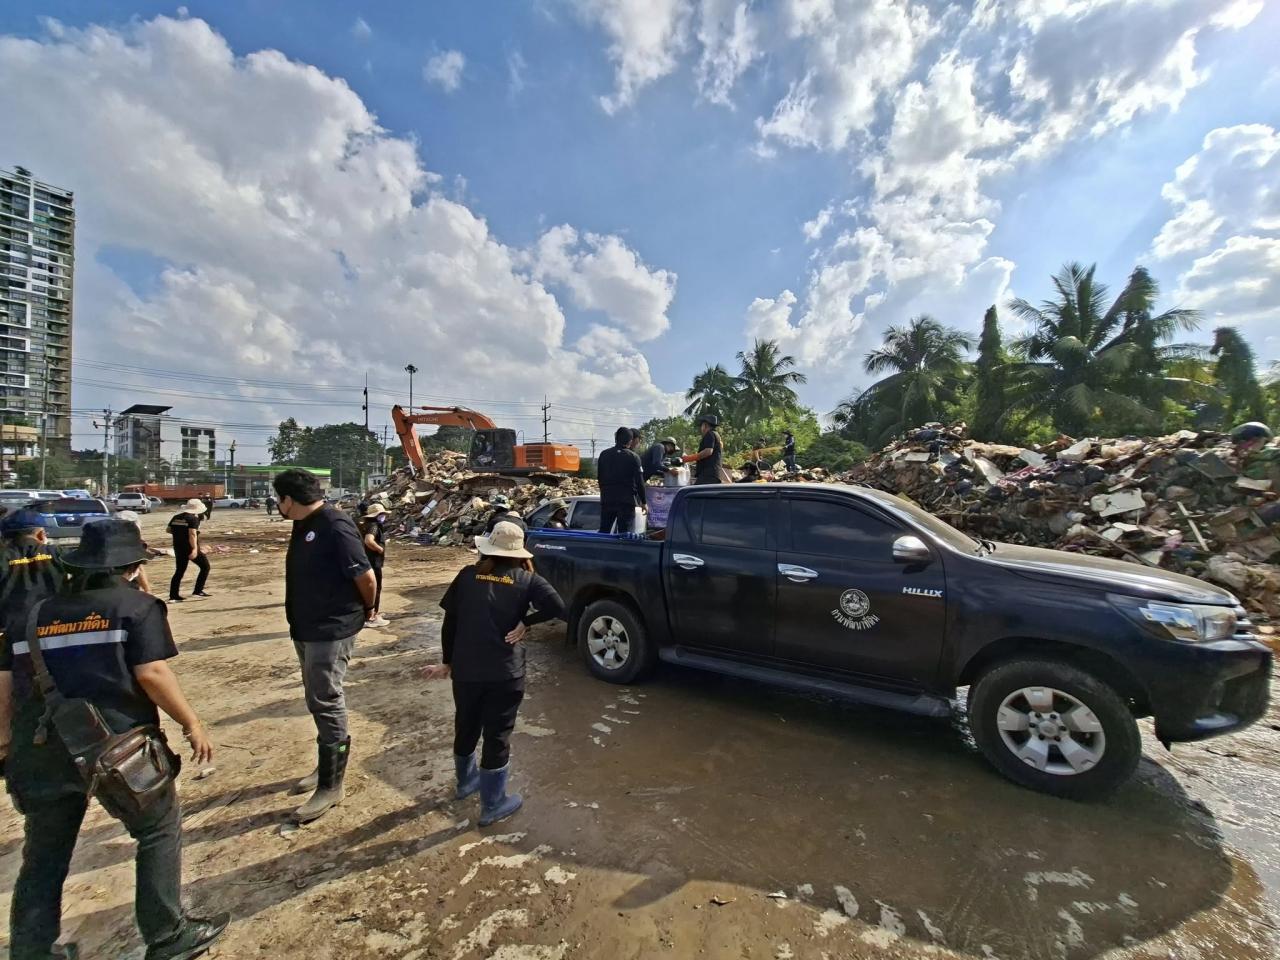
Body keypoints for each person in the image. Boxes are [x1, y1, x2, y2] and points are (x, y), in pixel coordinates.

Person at [0, 519, 228, 960]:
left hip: (44, 745)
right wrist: (191, 722)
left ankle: (32, 949)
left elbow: (5, 681)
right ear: (130, 566)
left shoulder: (36, 614)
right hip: (117, 746)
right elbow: (152, 673)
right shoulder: (136, 608)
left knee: (44, 852)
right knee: (158, 830)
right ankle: (166, 935)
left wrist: (6, 741)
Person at [423, 521, 565, 826]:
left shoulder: (466, 575)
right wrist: (527, 622)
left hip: (466, 671)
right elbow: (559, 607)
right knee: (497, 736)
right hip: (505, 673)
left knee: (466, 725)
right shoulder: (527, 580)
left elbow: (450, 623)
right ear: (518, 553)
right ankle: (493, 804)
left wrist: (448, 662)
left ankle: (465, 783)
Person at [273, 468, 378, 823]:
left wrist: (367, 609)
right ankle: (325, 768)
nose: (278, 506)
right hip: (306, 626)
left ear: (288, 499)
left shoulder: (335, 523)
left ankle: (332, 786)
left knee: (326, 699)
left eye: (279, 499)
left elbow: (365, 576)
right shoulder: (303, 524)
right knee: (317, 699)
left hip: (332, 628)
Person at [0, 509, 68, 625]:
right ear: (41, 535)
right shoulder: (57, 553)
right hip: (53, 624)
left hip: (9, 628)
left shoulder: (3, 556)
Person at [597, 426, 647, 533]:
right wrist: (644, 502)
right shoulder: (633, 457)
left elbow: (600, 478)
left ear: (616, 438)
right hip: (626, 502)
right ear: (630, 441)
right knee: (624, 534)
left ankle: (600, 549)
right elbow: (639, 482)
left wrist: (605, 492)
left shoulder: (604, 454)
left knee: (604, 531)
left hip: (607, 500)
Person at [166, 499, 210, 603]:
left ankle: (173, 595)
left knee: (179, 571)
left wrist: (179, 533)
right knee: (205, 567)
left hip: (178, 547)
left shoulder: (176, 517)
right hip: (190, 547)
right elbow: (192, 534)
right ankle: (198, 591)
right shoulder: (193, 519)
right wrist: (194, 549)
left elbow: (168, 530)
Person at [359, 504, 390, 629]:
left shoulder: (364, 524)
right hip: (373, 561)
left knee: (367, 589)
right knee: (376, 589)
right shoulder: (374, 526)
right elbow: (369, 541)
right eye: (382, 515)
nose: (384, 517)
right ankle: (372, 617)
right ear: (377, 515)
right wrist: (379, 549)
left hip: (365, 560)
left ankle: (368, 614)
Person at [115, 510, 154, 595]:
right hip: (125, 587)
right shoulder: (135, 544)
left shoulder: (104, 542)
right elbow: (139, 569)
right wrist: (147, 590)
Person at [682, 415, 724, 485]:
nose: (701, 428)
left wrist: (689, 458)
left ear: (705, 425)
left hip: (708, 474)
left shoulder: (710, 434)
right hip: (713, 474)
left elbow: (708, 452)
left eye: (701, 425)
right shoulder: (716, 435)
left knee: (694, 493)